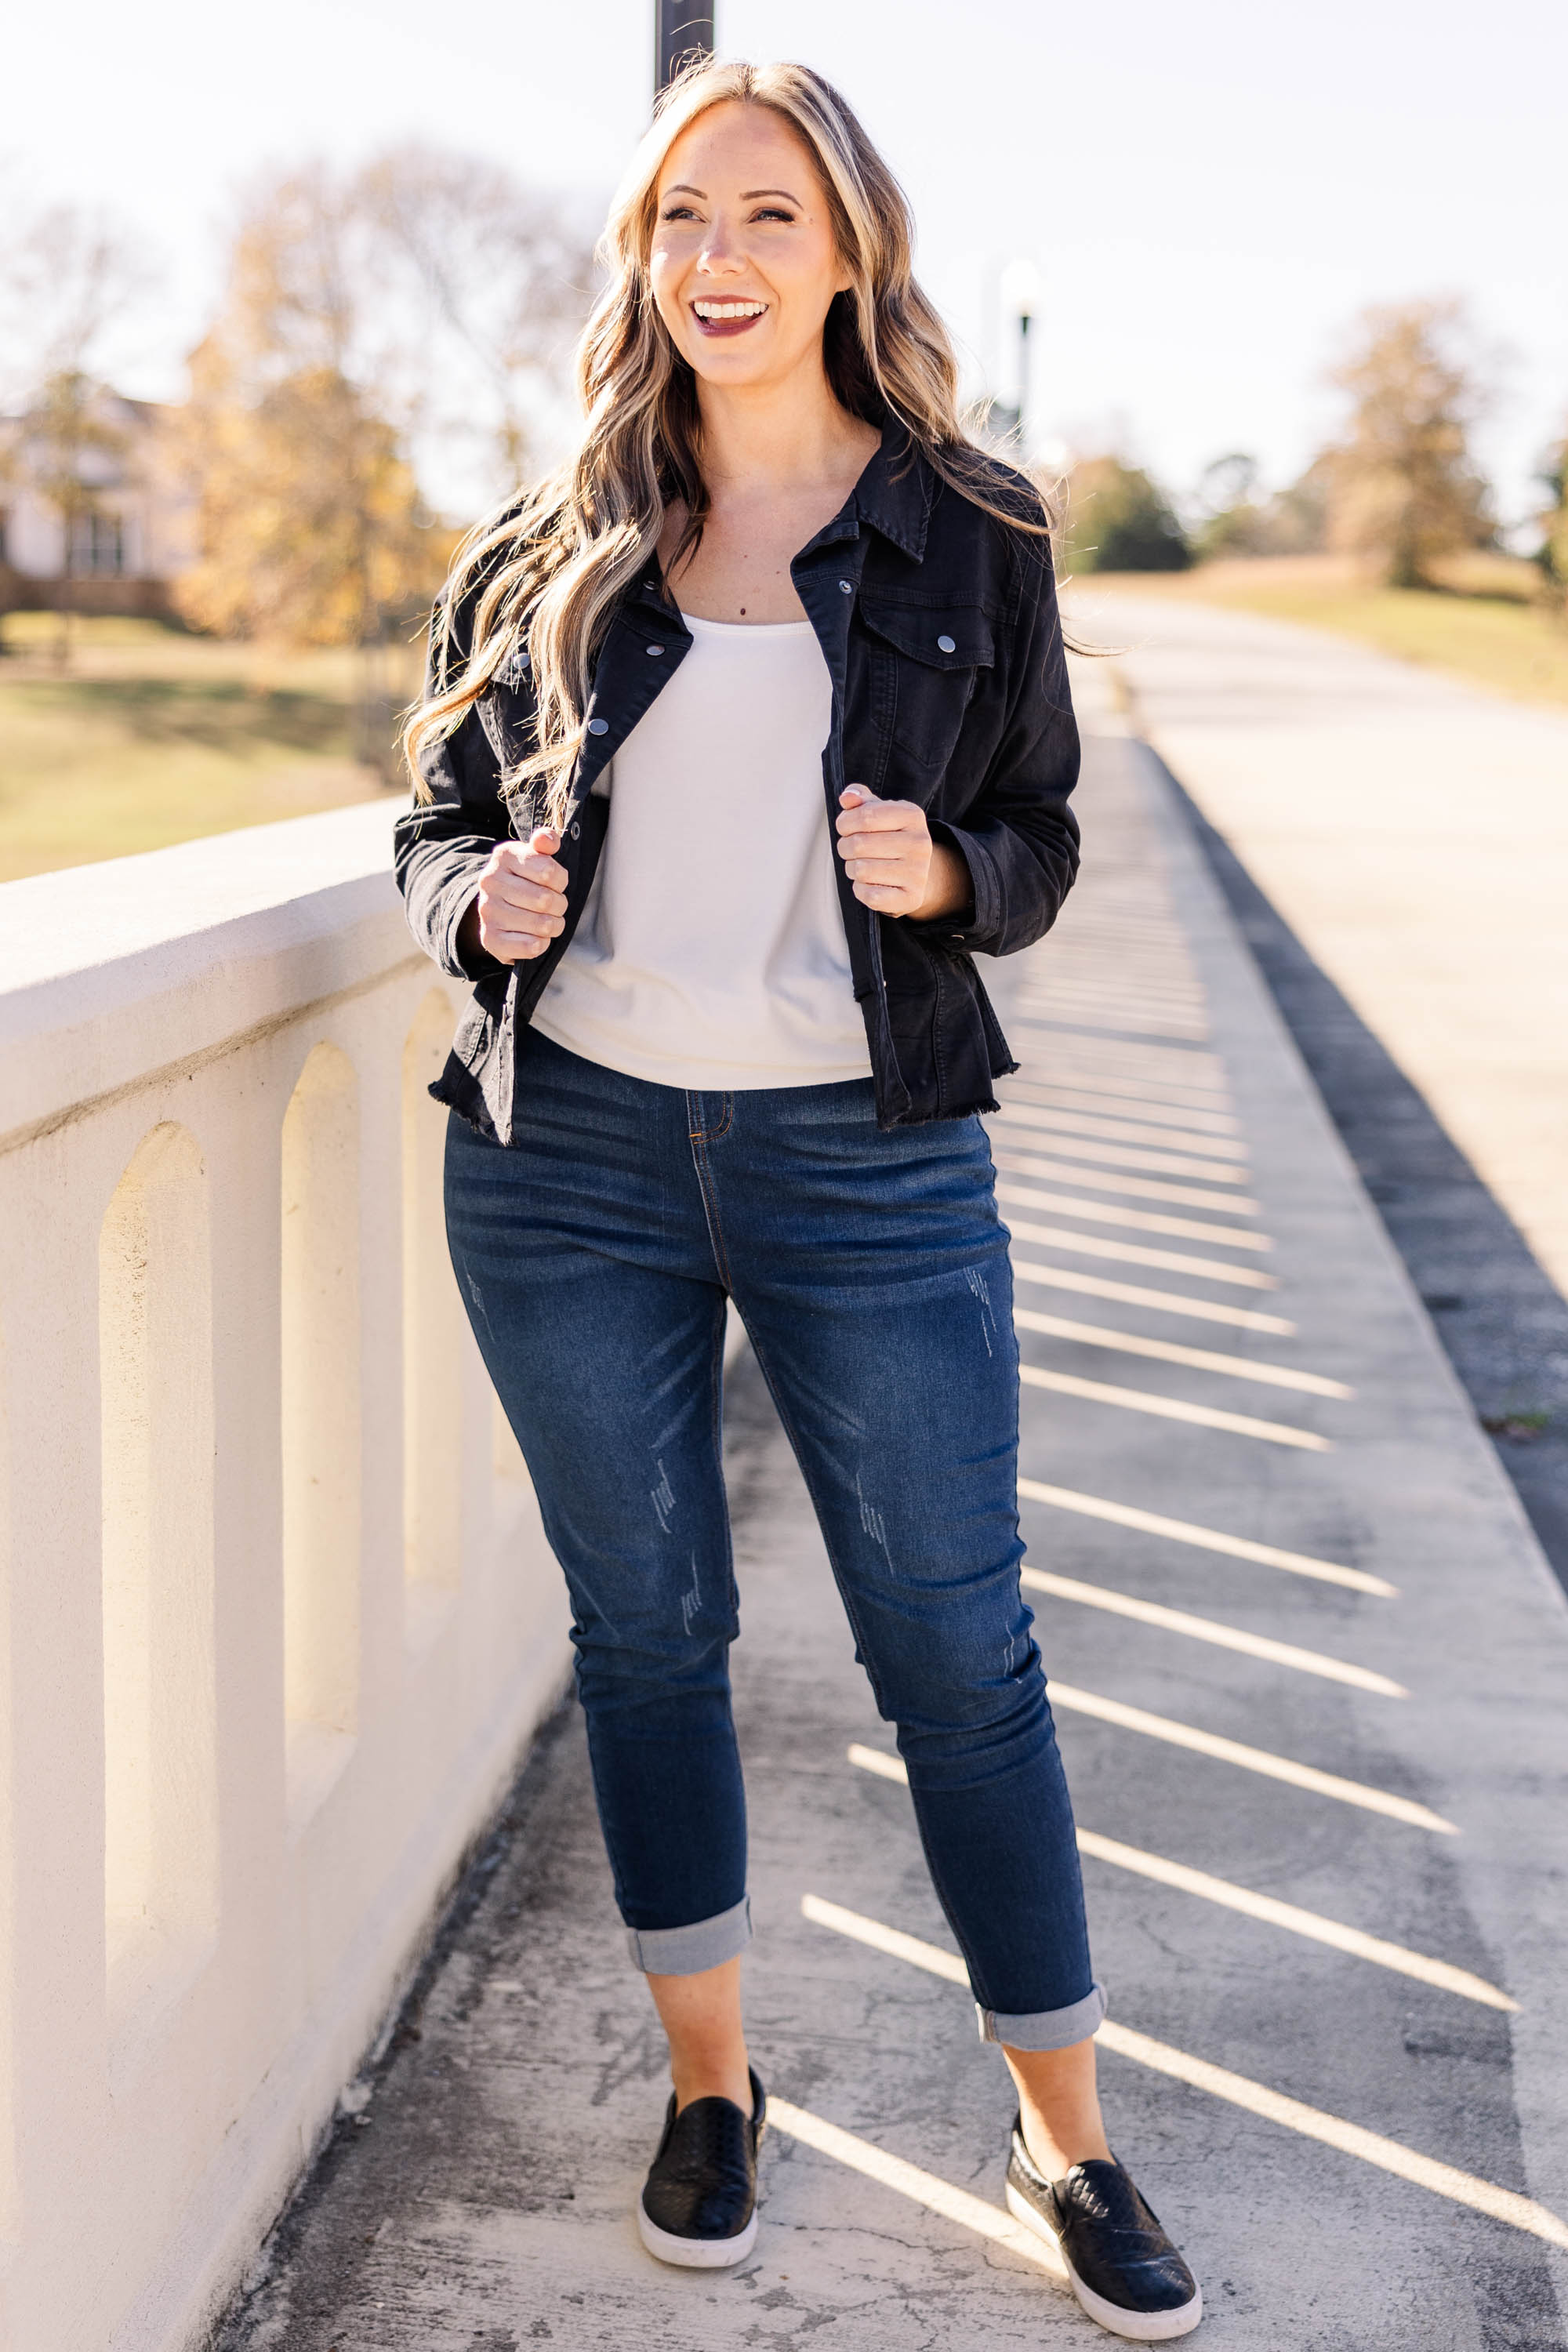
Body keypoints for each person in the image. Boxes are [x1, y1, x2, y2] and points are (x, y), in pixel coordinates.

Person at [396, 56, 1202, 2343]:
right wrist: (490, 910)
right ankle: (715, 2091)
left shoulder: (975, 529)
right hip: (574, 1169)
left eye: (764, 214)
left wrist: (949, 865)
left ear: (849, 243)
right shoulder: (551, 546)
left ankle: (1070, 2136)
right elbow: (428, 837)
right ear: (642, 261)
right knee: (649, 1640)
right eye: (678, 221)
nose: (718, 260)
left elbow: (1036, 836)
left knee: (962, 1651)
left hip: (872, 1159)